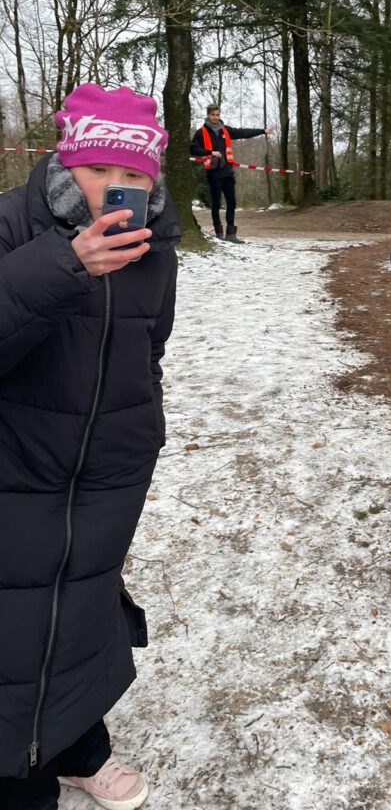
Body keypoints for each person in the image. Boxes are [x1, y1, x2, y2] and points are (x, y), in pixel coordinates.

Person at [0, 84, 180, 810]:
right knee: (16, 622)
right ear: (66, 161)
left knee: (82, 608)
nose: (115, 186)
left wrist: (143, 427)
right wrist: (65, 264)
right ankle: (21, 771)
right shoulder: (12, 222)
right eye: (99, 168)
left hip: (107, 474)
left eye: (134, 174)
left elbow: (150, 347)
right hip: (17, 467)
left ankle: (77, 745)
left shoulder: (154, 245)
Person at [189, 105, 274, 242]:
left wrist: (262, 131)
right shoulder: (201, 133)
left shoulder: (225, 130)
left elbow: (242, 133)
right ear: (208, 115)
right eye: (213, 115)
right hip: (213, 172)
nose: (215, 117)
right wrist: (210, 152)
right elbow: (193, 149)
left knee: (231, 202)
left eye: (217, 114)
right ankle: (218, 233)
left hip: (228, 172)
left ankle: (231, 234)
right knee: (216, 203)